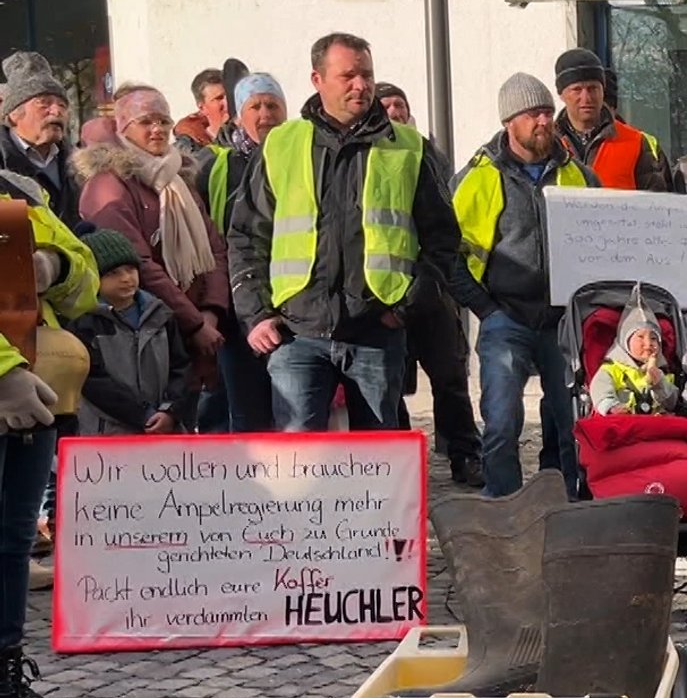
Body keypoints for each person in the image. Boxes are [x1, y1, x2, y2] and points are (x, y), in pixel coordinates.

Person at [229, 32, 464, 432]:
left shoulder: (408, 146)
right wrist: (257, 315)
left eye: (367, 75)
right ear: (317, 80)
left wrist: (409, 305)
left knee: (378, 464)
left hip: (376, 329)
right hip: (295, 332)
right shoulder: (281, 144)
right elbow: (247, 234)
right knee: (298, 469)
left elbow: (443, 237)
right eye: (349, 76)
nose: (362, 85)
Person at [448, 73, 594, 498]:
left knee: (574, 424)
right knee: (501, 423)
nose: (544, 121)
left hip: (566, 322)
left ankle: (573, 505)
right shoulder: (476, 178)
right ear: (509, 120)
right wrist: (485, 308)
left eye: (548, 112)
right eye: (534, 114)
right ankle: (504, 510)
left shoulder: (580, 176)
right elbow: (447, 253)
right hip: (504, 319)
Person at [0, 184, 96, 698]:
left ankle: (5, 685)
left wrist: (52, 265)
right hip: (18, 383)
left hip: (35, 393)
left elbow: (86, 277)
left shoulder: (14, 197)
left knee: (12, 544)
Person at [74, 84, 232, 398]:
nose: (157, 129)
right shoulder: (108, 184)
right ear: (123, 128)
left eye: (163, 120)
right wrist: (194, 323)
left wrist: (211, 310)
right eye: (146, 121)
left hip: (193, 330)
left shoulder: (178, 178)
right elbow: (136, 265)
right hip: (143, 335)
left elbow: (214, 248)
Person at [363, 80, 482, 482]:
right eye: (386, 105)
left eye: (400, 104)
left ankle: (464, 453)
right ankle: (398, 467)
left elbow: (442, 224)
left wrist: (431, 281)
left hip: (429, 289)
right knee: (388, 384)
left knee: (449, 377)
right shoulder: (366, 155)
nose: (393, 111)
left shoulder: (420, 151)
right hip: (382, 294)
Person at [193, 72, 287, 433]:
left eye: (273, 105)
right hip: (237, 312)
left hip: (293, 308)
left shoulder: (301, 155)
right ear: (236, 116)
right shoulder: (213, 166)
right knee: (247, 412)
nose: (265, 114)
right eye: (255, 106)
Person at [69, 229, 191, 436]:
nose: (126, 278)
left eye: (130, 269)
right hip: (107, 435)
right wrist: (142, 414)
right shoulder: (84, 322)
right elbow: (93, 381)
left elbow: (181, 367)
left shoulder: (161, 314)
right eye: (113, 273)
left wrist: (170, 410)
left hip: (164, 430)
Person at [554, 48, 667, 192]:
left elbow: (656, 204)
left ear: (603, 90)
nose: (586, 98)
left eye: (593, 88)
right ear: (561, 94)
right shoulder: (546, 145)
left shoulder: (636, 143)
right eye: (577, 89)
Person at [0, 51, 84, 229]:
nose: (56, 111)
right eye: (43, 103)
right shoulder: (3, 161)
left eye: (62, 105)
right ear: (14, 114)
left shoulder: (81, 165)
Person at [591, 301, 682, 416]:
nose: (648, 343)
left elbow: (672, 404)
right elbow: (600, 391)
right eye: (640, 337)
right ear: (626, 342)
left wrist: (660, 384)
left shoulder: (662, 372)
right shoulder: (611, 369)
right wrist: (612, 407)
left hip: (656, 426)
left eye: (654, 338)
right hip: (622, 424)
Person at [174, 68, 229, 156]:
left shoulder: (248, 138)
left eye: (230, 95)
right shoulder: (188, 151)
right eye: (219, 98)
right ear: (202, 108)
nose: (227, 102)